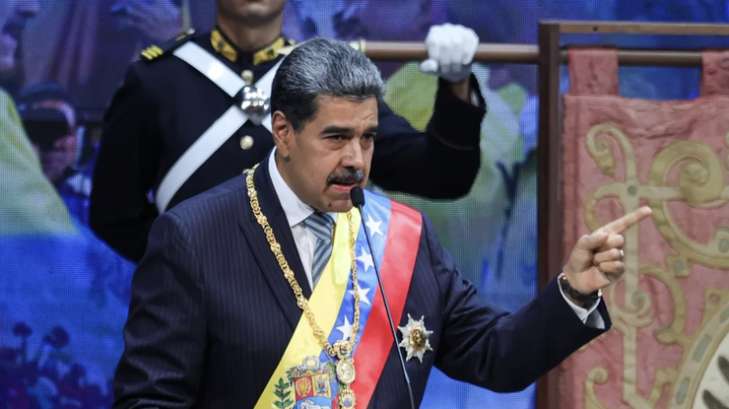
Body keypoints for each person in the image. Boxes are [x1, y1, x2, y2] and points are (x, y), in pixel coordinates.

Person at [113, 38, 652, 408]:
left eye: (367, 138)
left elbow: (496, 357)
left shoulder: (404, 237)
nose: (356, 160)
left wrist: (574, 292)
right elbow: (149, 400)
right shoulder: (193, 236)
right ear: (283, 132)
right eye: (336, 137)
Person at [90, 0, 486, 262]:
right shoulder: (157, 79)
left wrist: (456, 85)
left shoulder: (332, 78)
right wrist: (179, 265)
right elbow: (114, 214)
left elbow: (442, 175)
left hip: (304, 328)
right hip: (191, 326)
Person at [17, 83, 93, 224]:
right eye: (42, 130)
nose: (55, 144)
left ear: (80, 138)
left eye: (62, 131)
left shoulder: (95, 197)